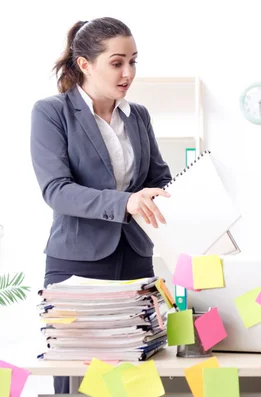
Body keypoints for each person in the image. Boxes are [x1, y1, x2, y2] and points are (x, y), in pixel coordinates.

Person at [30, 17, 171, 393]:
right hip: (77, 262)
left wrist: (179, 193)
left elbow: (158, 176)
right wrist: (127, 202)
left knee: (134, 377)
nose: (128, 72)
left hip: (135, 257)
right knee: (79, 381)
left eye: (134, 61)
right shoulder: (51, 112)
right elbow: (57, 190)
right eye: (117, 62)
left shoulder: (138, 115)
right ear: (85, 65)